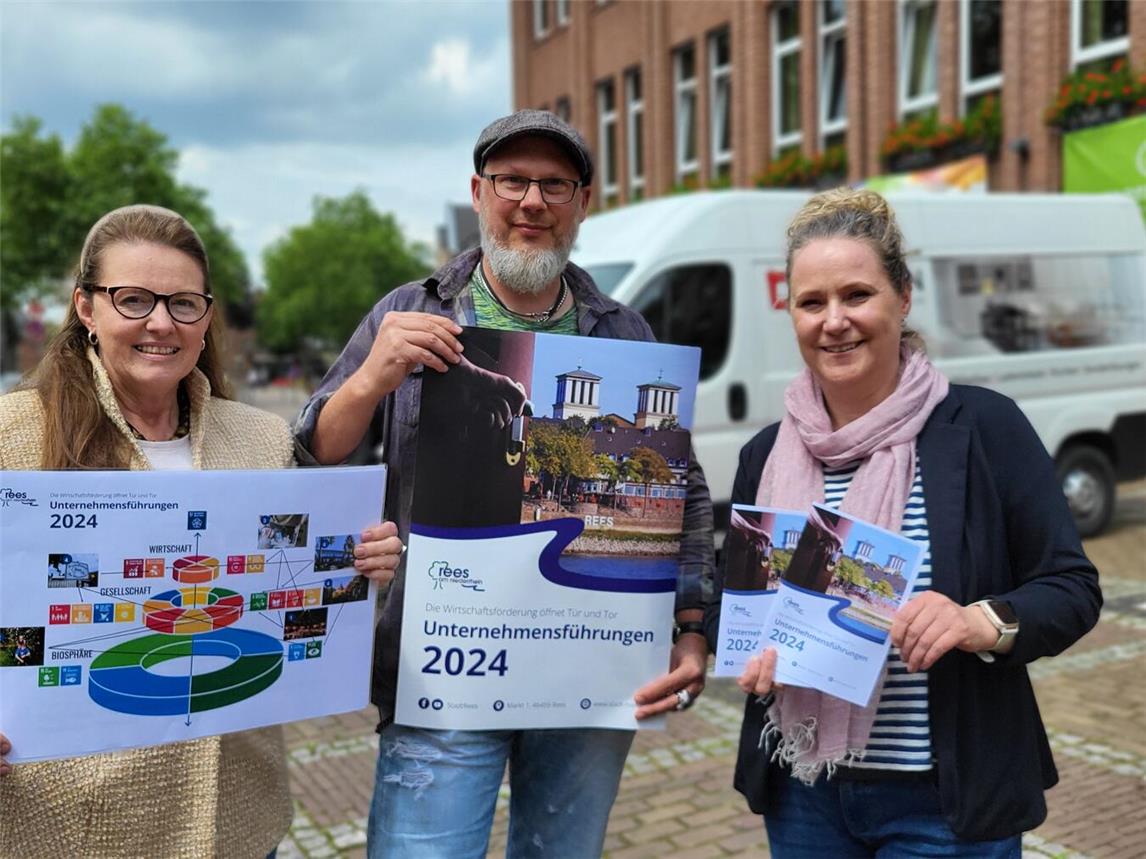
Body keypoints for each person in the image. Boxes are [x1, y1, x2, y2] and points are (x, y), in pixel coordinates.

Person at [295, 110, 715, 858]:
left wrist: (690, 628)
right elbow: (316, 453)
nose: (531, 202)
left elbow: (682, 492)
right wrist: (372, 375)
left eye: (554, 185)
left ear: (582, 203)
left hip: (588, 668)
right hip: (445, 664)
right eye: (512, 181)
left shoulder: (625, 334)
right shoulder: (409, 310)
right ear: (479, 192)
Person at [704, 188, 1101, 856]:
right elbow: (732, 604)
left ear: (903, 296)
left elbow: (1071, 586)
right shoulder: (764, 454)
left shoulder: (983, 428)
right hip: (806, 794)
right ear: (791, 312)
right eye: (811, 301)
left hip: (944, 801)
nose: (834, 321)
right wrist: (745, 648)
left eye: (856, 294)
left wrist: (981, 620)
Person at [0, 205, 403, 859]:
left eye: (184, 303)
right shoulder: (12, 433)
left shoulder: (261, 436)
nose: (161, 322)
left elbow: (289, 571)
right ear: (85, 308)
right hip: (75, 824)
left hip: (237, 816)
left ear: (207, 316)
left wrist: (356, 561)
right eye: (133, 299)